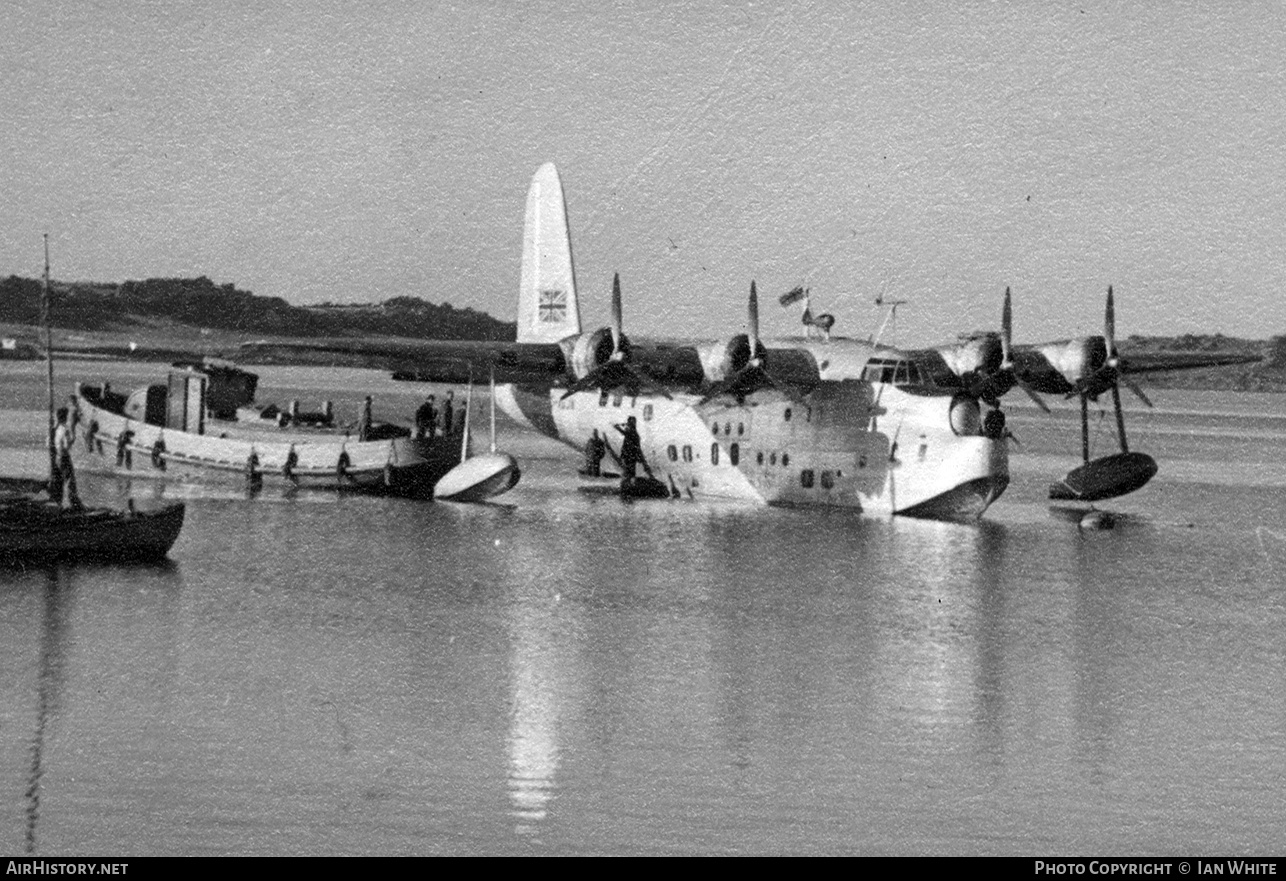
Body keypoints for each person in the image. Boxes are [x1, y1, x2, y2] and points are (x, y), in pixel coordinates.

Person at [52, 406, 83, 510]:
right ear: (65, 417)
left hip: (57, 456)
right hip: (64, 457)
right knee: (70, 480)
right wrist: (73, 438)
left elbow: (48, 442)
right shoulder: (65, 430)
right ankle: (74, 503)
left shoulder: (56, 429)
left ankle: (58, 502)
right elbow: (66, 446)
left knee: (59, 481)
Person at [614, 415, 651, 480]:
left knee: (629, 473)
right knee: (630, 473)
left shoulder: (632, 433)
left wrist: (618, 427)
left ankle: (628, 483)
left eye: (629, 422)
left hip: (629, 456)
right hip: (630, 456)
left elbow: (624, 432)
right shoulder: (633, 432)